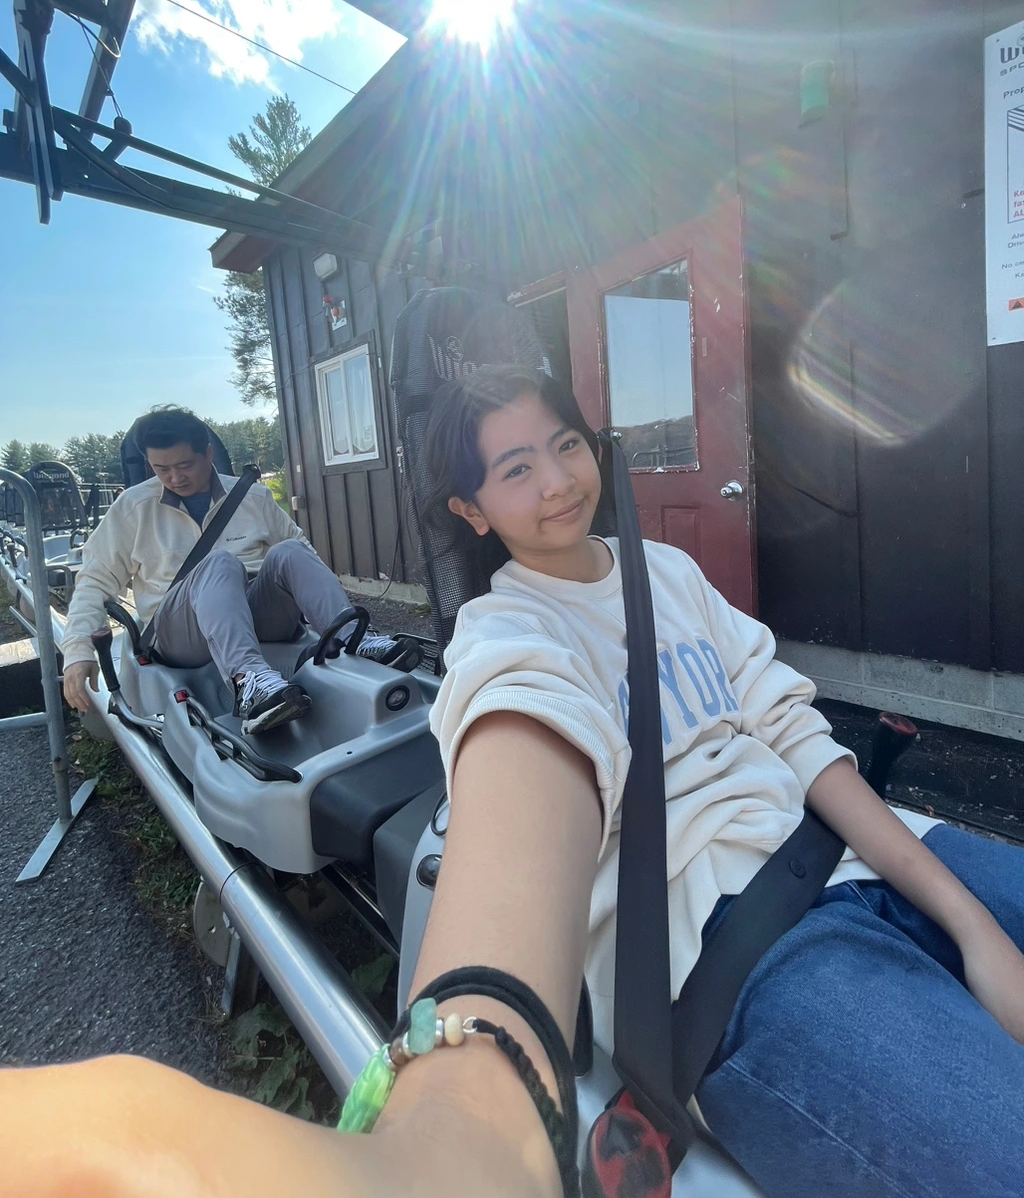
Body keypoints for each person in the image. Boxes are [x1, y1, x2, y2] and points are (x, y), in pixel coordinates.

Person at [7, 368, 1024, 1197]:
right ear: (472, 508)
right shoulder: (504, 642)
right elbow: (522, 785)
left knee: (274, 564)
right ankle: (260, 682)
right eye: (514, 468)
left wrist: (967, 918)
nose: (557, 482)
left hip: (857, 857)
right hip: (748, 947)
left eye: (566, 445)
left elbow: (791, 729)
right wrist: (463, 1142)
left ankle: (338, 643)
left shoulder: (666, 573)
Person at [62, 406, 408, 734]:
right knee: (220, 562)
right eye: (161, 469)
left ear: (208, 454)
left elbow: (307, 563)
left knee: (291, 550)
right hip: (181, 634)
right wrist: (78, 652)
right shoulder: (132, 508)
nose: (174, 478)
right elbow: (94, 581)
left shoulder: (253, 498)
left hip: (260, 617)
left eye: (185, 465)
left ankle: (356, 640)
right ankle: (250, 682)